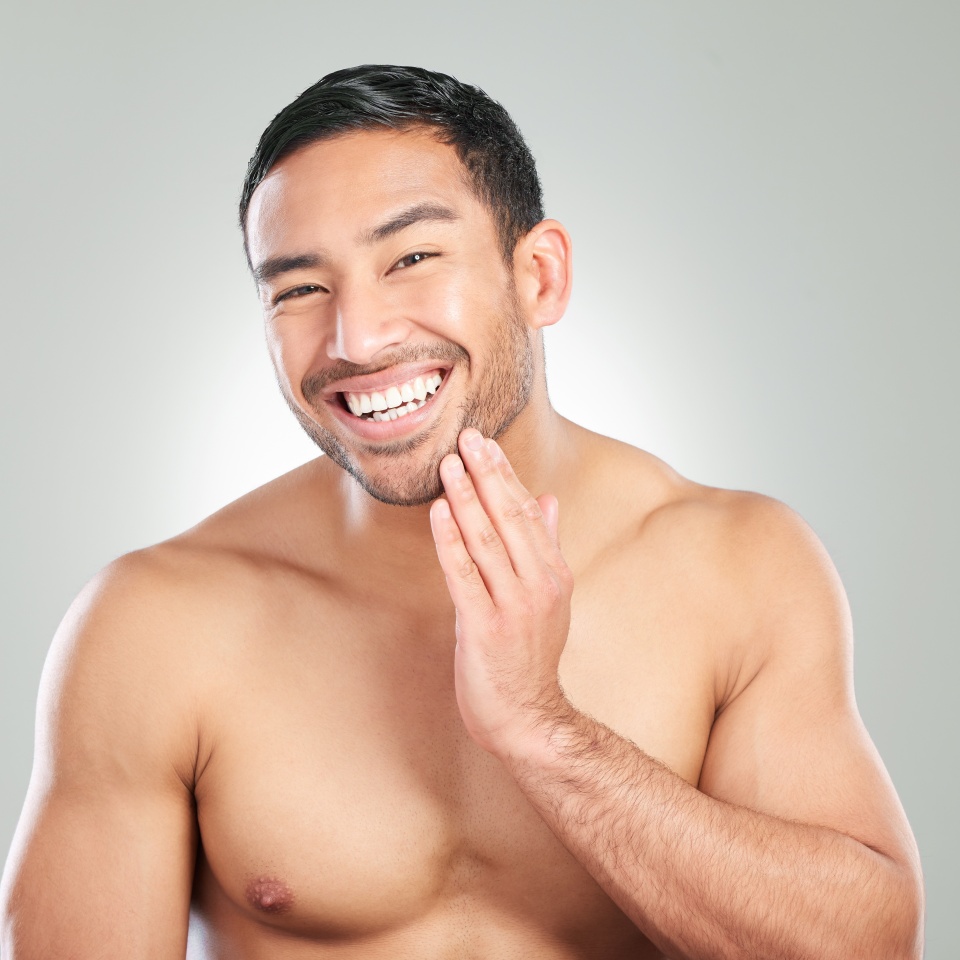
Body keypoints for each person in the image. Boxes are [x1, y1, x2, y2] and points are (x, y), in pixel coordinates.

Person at [0, 64, 923, 959]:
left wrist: (542, 727)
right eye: (300, 288)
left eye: (411, 257)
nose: (357, 339)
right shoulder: (154, 626)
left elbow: (871, 949)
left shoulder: (738, 569)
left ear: (540, 276)